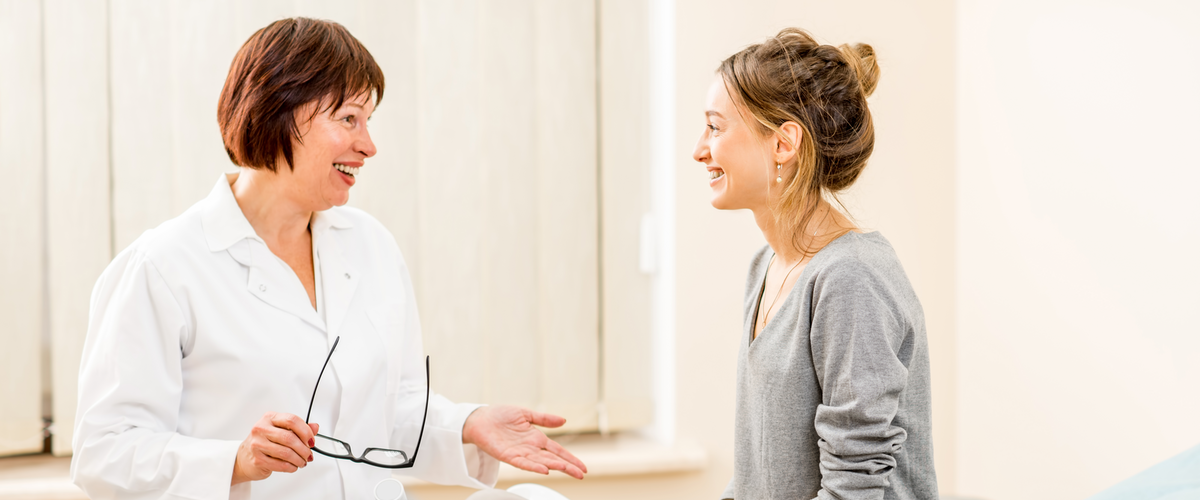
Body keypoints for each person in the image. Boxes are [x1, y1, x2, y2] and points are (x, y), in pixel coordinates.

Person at [70, 18, 585, 500]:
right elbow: (103, 451)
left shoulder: (371, 246)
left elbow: (392, 410)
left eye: (368, 120)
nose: (369, 145)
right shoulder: (163, 267)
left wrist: (469, 424)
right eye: (349, 119)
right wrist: (236, 460)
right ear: (280, 110)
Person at [692, 28, 938, 499]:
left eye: (716, 127)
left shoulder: (852, 278)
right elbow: (763, 474)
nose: (700, 149)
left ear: (784, 144)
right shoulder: (765, 267)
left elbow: (854, 487)